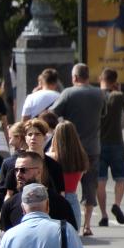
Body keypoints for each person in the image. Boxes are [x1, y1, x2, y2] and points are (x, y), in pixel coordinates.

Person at [51, 64, 105, 235]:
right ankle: (87, 225)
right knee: (90, 185)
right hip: (92, 147)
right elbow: (103, 113)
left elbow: (53, 113)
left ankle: (65, 221)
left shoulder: (68, 93)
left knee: (68, 187)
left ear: (74, 77)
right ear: (88, 76)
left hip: (69, 147)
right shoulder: (99, 93)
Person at [0, 151, 76, 233]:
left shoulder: (60, 203)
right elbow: (4, 240)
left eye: (23, 170)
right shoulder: (9, 204)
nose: (18, 174)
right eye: (16, 170)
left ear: (39, 172)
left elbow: (70, 236)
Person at [97, 68, 124, 226]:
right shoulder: (119, 96)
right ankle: (116, 204)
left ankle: (103, 215)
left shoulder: (95, 95)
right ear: (115, 81)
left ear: (100, 78)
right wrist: (120, 92)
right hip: (116, 143)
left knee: (100, 180)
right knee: (120, 178)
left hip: (98, 143)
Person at [46, 120, 89, 228]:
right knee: (73, 233)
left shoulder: (51, 157)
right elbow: (80, 176)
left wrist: (51, 146)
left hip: (55, 198)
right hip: (72, 197)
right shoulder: (81, 157)